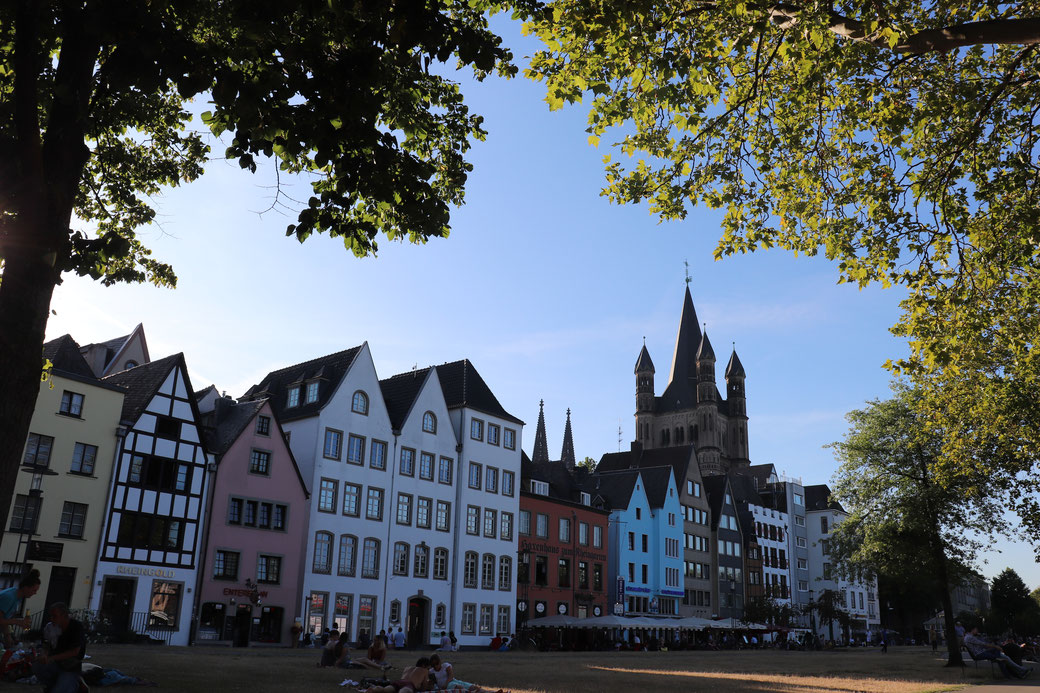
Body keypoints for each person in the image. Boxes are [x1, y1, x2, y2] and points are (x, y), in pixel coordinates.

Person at [31, 603, 85, 693]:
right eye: (51, 616)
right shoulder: (50, 627)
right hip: (55, 664)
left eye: (54, 616)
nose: (51, 619)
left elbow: (74, 652)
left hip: (70, 667)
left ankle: (75, 685)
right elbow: (46, 644)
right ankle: (53, 685)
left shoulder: (76, 627)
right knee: (37, 666)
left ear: (64, 615)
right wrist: (44, 654)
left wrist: (51, 658)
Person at [965, 626, 1032, 679]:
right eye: (976, 629)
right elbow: (983, 644)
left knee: (1003, 657)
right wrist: (995, 647)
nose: (977, 631)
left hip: (981, 652)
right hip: (979, 654)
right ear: (972, 630)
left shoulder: (969, 637)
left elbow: (983, 645)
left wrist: (994, 647)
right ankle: (1019, 672)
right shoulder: (969, 637)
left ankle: (1019, 672)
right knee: (1003, 658)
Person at [0, 570, 40, 649]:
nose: (35, 593)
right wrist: (18, 622)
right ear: (26, 588)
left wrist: (8, 636)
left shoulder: (17, 597)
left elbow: (5, 619)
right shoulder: (9, 597)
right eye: (34, 590)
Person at [428, 654, 503, 693]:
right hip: (448, 686)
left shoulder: (445, 666)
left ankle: (492, 692)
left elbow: (451, 675)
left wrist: (446, 683)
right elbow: (432, 682)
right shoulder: (431, 671)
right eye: (433, 665)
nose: (435, 666)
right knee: (459, 687)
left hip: (451, 681)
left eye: (436, 664)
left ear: (440, 662)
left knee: (474, 687)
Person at [363, 656, 430, 693]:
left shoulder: (408, 668)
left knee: (385, 690)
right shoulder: (425, 670)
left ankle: (373, 689)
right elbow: (424, 686)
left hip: (400, 681)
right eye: (428, 667)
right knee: (404, 691)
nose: (429, 669)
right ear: (424, 665)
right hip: (410, 684)